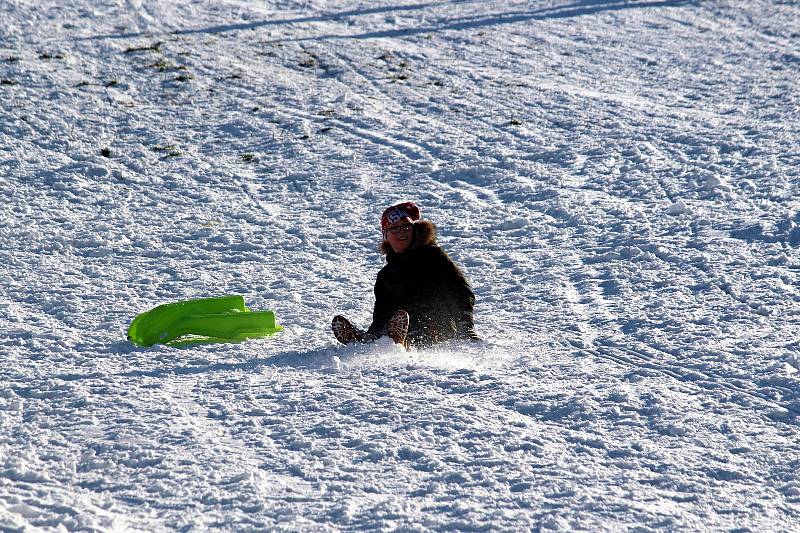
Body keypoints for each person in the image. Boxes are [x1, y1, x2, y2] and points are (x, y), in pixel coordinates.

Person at [332, 201, 479, 348]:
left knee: (420, 328)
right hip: (402, 325)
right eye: (394, 228)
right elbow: (381, 315)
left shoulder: (432, 256)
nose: (402, 231)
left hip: (438, 324)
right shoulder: (386, 276)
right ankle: (370, 341)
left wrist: (465, 325)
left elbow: (460, 289)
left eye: (406, 226)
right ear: (386, 236)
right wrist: (375, 332)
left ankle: (396, 342)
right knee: (385, 329)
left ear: (413, 229)